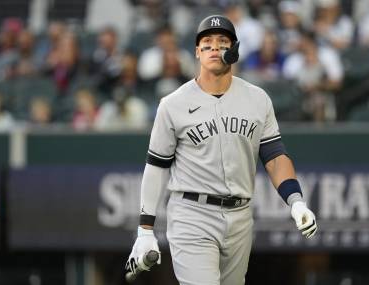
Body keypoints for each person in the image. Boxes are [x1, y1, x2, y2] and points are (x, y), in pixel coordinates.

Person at [125, 15, 317, 285]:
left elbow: (274, 157)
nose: (214, 48)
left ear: (235, 50)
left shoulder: (258, 99)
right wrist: (145, 229)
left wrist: (295, 201)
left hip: (240, 216)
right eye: (207, 42)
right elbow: (157, 166)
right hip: (192, 214)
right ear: (196, 52)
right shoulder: (173, 104)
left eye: (222, 41)